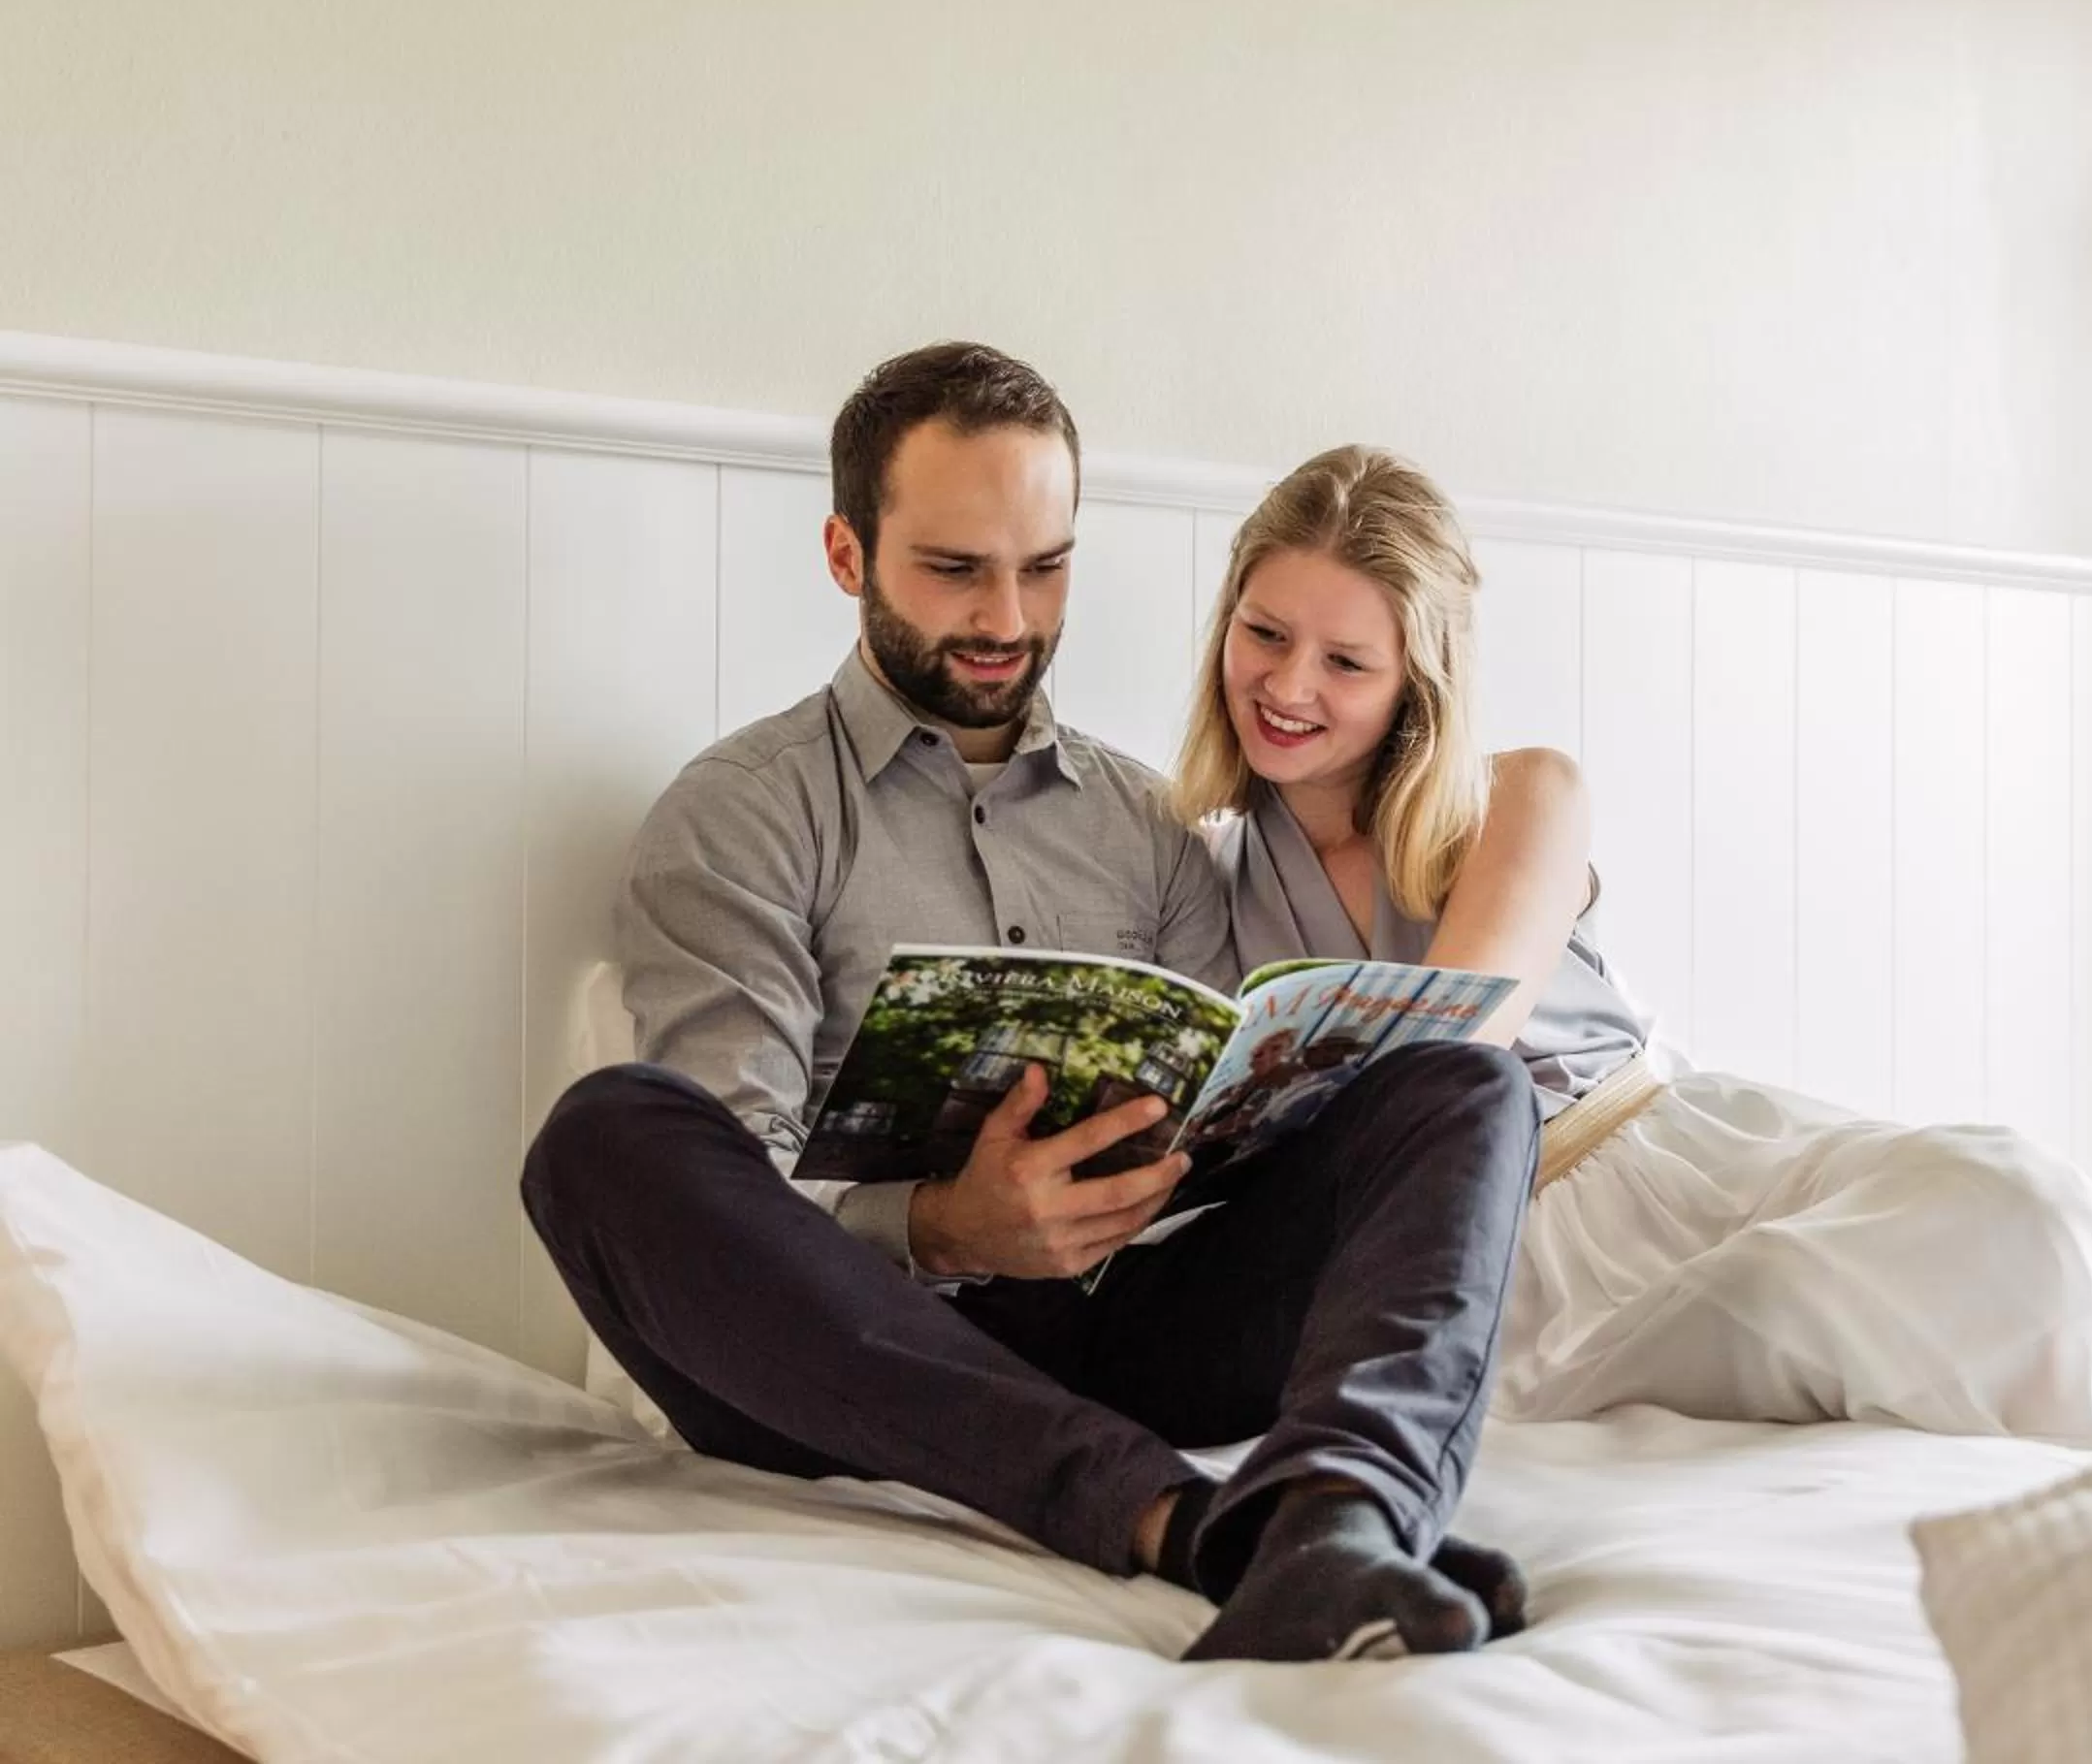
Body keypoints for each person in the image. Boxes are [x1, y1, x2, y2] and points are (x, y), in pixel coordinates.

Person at [1174, 446, 2092, 1450]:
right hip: (1504, 1250)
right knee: (1823, 1301)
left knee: (2010, 1206)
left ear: (1420, 676)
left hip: (1678, 1144)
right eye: (1266, 635)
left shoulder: (1521, 797)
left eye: (1346, 661)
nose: (1290, 687)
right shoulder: (1212, 879)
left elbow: (1450, 1048)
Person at [519, 346, 1544, 1665]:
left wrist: (1218, 1138)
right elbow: (739, 1166)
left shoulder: (1156, 828)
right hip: (851, 1366)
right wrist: (945, 1228)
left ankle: (1345, 1512)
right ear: (849, 554)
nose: (1006, 615)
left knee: (1464, 1074)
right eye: (954, 570)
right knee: (602, 1140)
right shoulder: (742, 816)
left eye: (1044, 566)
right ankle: (1193, 1523)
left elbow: (1227, 1122)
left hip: (1133, 1318)